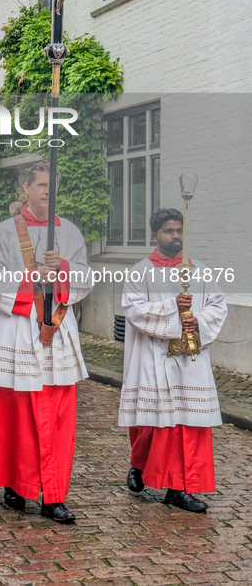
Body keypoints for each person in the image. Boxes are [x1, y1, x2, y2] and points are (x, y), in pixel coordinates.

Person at [0, 161, 93, 523]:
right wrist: (30, 275)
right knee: (18, 414)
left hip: (55, 331)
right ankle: (17, 484)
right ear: (26, 188)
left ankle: (53, 494)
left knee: (57, 416)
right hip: (19, 330)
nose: (46, 192)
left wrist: (64, 268)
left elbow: (85, 278)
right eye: (40, 185)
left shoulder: (69, 232)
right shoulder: (8, 230)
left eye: (52, 186)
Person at [120, 208, 228, 513]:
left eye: (179, 230)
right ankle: (140, 465)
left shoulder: (200, 271)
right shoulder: (140, 271)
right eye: (169, 231)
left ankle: (179, 488)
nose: (176, 236)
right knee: (153, 424)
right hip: (153, 355)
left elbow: (218, 306)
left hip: (190, 360)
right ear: (155, 234)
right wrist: (172, 307)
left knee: (188, 425)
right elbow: (134, 309)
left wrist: (198, 321)